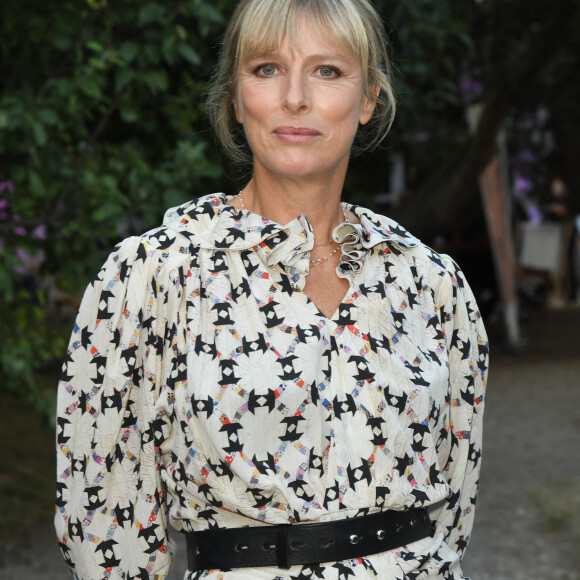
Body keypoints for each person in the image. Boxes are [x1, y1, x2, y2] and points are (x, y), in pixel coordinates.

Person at [55, 0, 489, 578]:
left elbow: (457, 502)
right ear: (235, 98)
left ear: (368, 100)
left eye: (327, 71)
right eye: (266, 69)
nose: (294, 99)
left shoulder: (431, 282)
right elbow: (102, 515)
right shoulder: (154, 277)